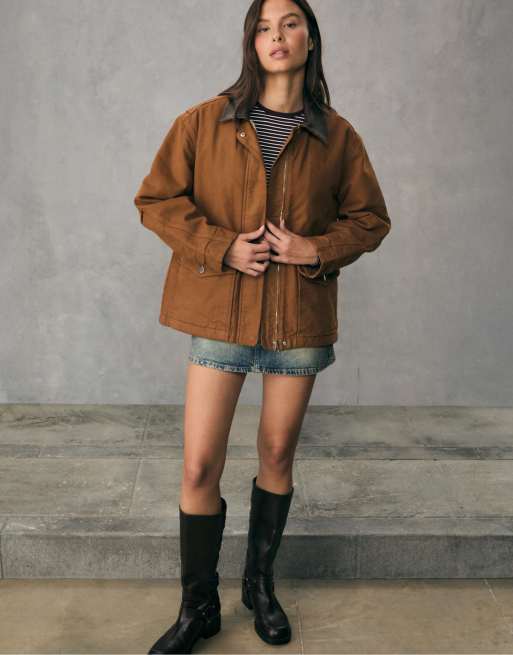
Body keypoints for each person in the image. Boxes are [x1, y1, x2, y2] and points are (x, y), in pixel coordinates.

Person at [133, 0, 391, 652]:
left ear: (310, 39)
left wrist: (315, 249)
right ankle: (198, 608)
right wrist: (221, 246)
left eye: (290, 23)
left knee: (276, 455)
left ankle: (259, 586)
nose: (277, 36)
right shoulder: (203, 122)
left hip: (297, 321)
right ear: (251, 43)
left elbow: (369, 219)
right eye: (264, 27)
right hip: (221, 312)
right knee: (200, 464)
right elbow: (156, 200)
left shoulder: (338, 136)